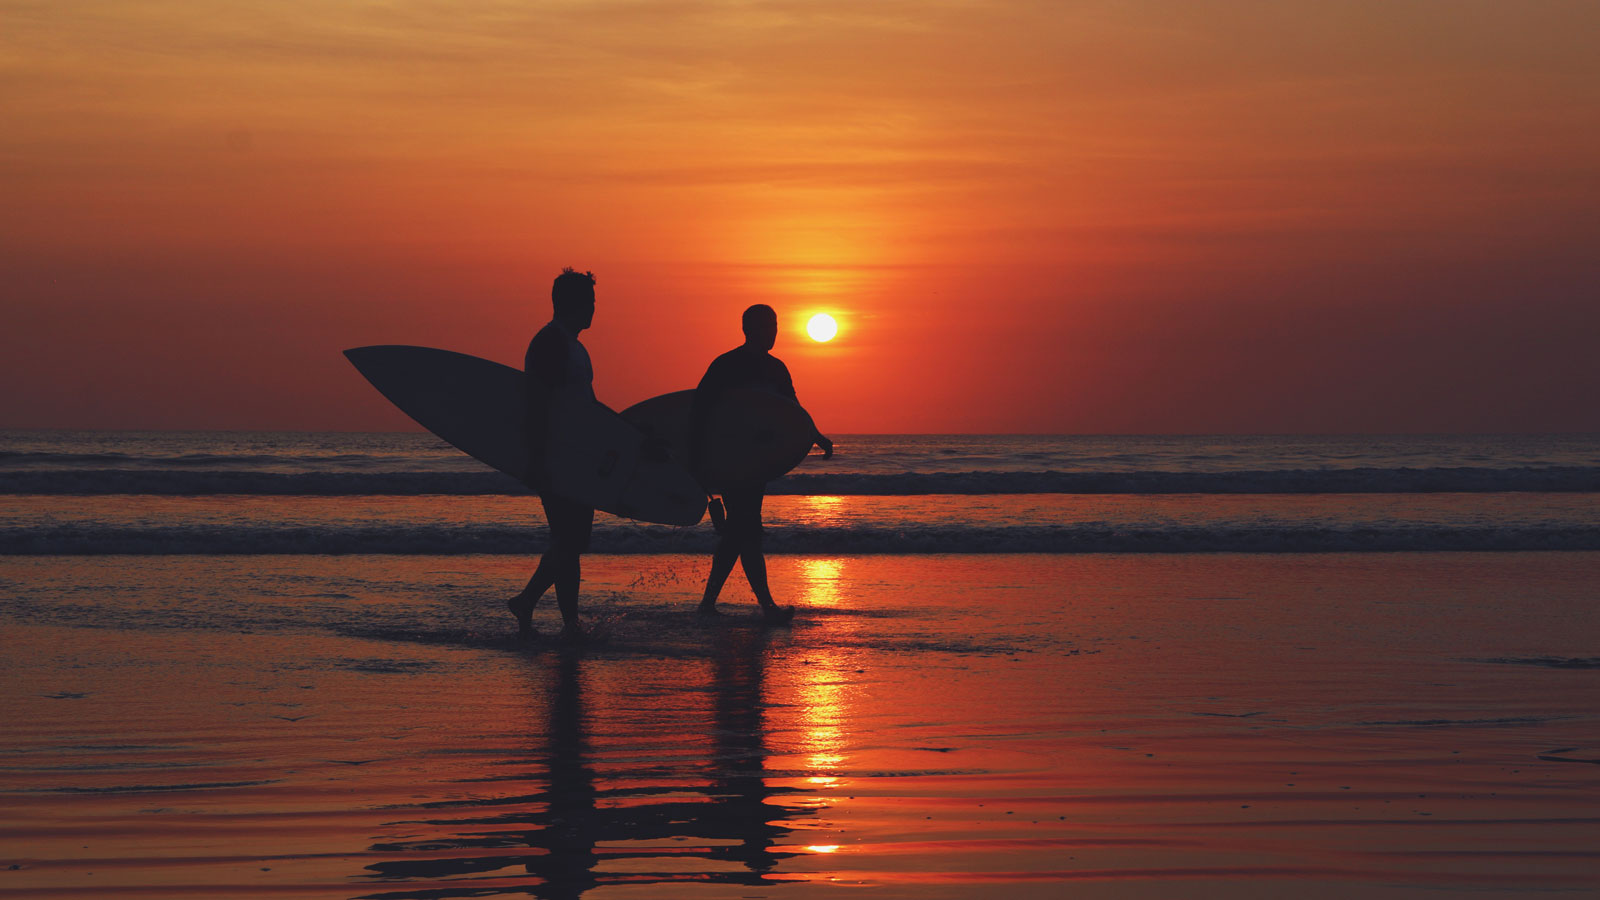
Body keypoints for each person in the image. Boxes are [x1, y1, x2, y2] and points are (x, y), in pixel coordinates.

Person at [691, 304, 832, 623]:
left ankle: (708, 603)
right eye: (767, 326)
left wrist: (816, 436)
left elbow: (793, 411)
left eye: (775, 325)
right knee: (748, 529)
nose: (773, 331)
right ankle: (766, 607)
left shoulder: (777, 369)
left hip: (757, 462)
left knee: (738, 532)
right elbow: (699, 411)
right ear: (748, 329)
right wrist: (699, 461)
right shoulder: (727, 365)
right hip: (730, 459)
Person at [509, 268, 598, 641]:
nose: (595, 309)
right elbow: (537, 403)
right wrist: (538, 458)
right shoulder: (551, 343)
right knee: (572, 540)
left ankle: (569, 622)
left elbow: (582, 404)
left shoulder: (573, 346)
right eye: (591, 302)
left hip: (577, 456)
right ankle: (527, 599)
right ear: (574, 304)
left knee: (570, 542)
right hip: (559, 458)